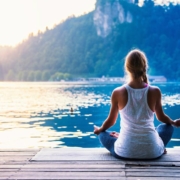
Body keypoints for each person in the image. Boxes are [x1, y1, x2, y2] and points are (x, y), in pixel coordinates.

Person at [94, 49, 180, 159]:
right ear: (145, 67)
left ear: (127, 68)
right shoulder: (155, 91)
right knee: (168, 127)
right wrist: (173, 122)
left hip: (125, 152)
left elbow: (111, 121)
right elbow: (161, 117)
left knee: (103, 134)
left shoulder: (117, 92)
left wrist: (99, 130)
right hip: (152, 152)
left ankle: (122, 139)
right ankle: (159, 147)